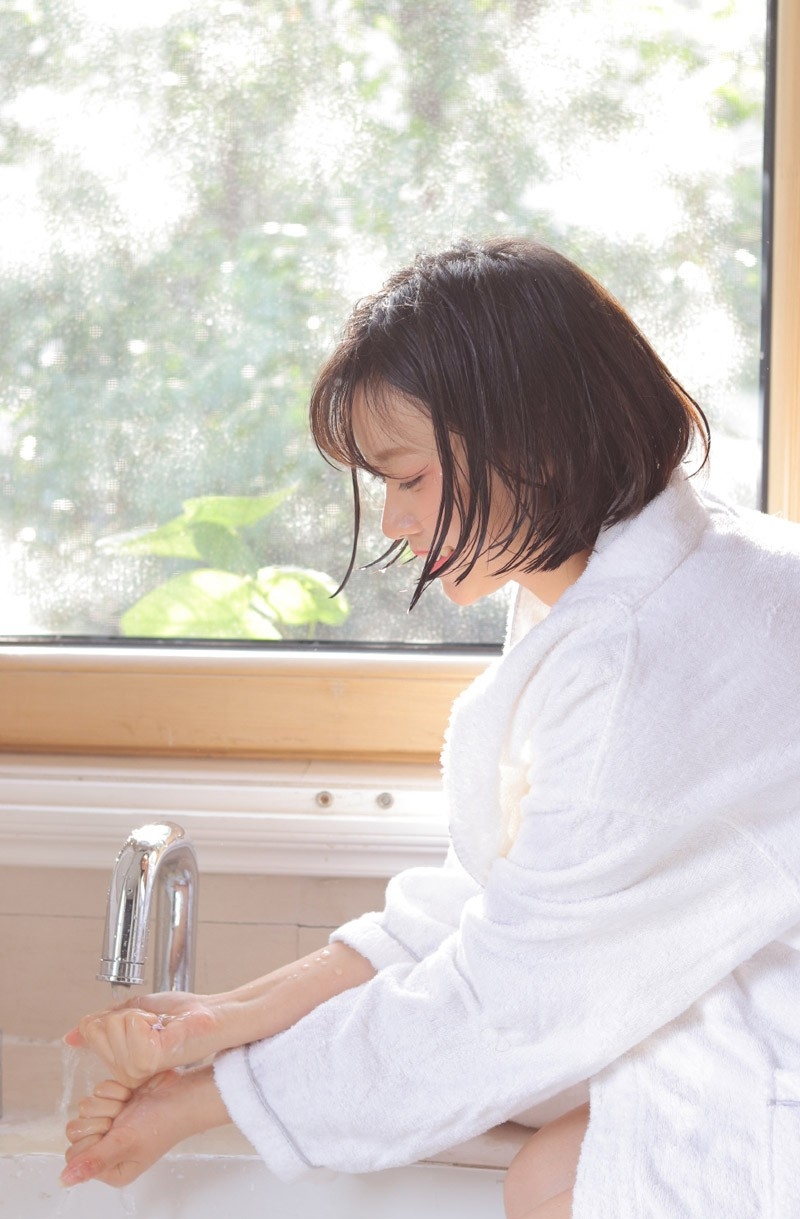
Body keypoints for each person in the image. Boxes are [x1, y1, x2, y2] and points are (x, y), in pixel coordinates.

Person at [62, 238, 800, 1218]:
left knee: (558, 1179)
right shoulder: (658, 577)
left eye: (405, 477)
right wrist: (225, 1018)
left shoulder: (645, 654)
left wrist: (205, 1097)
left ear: (531, 442)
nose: (393, 519)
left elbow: (512, 993)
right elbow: (513, 886)